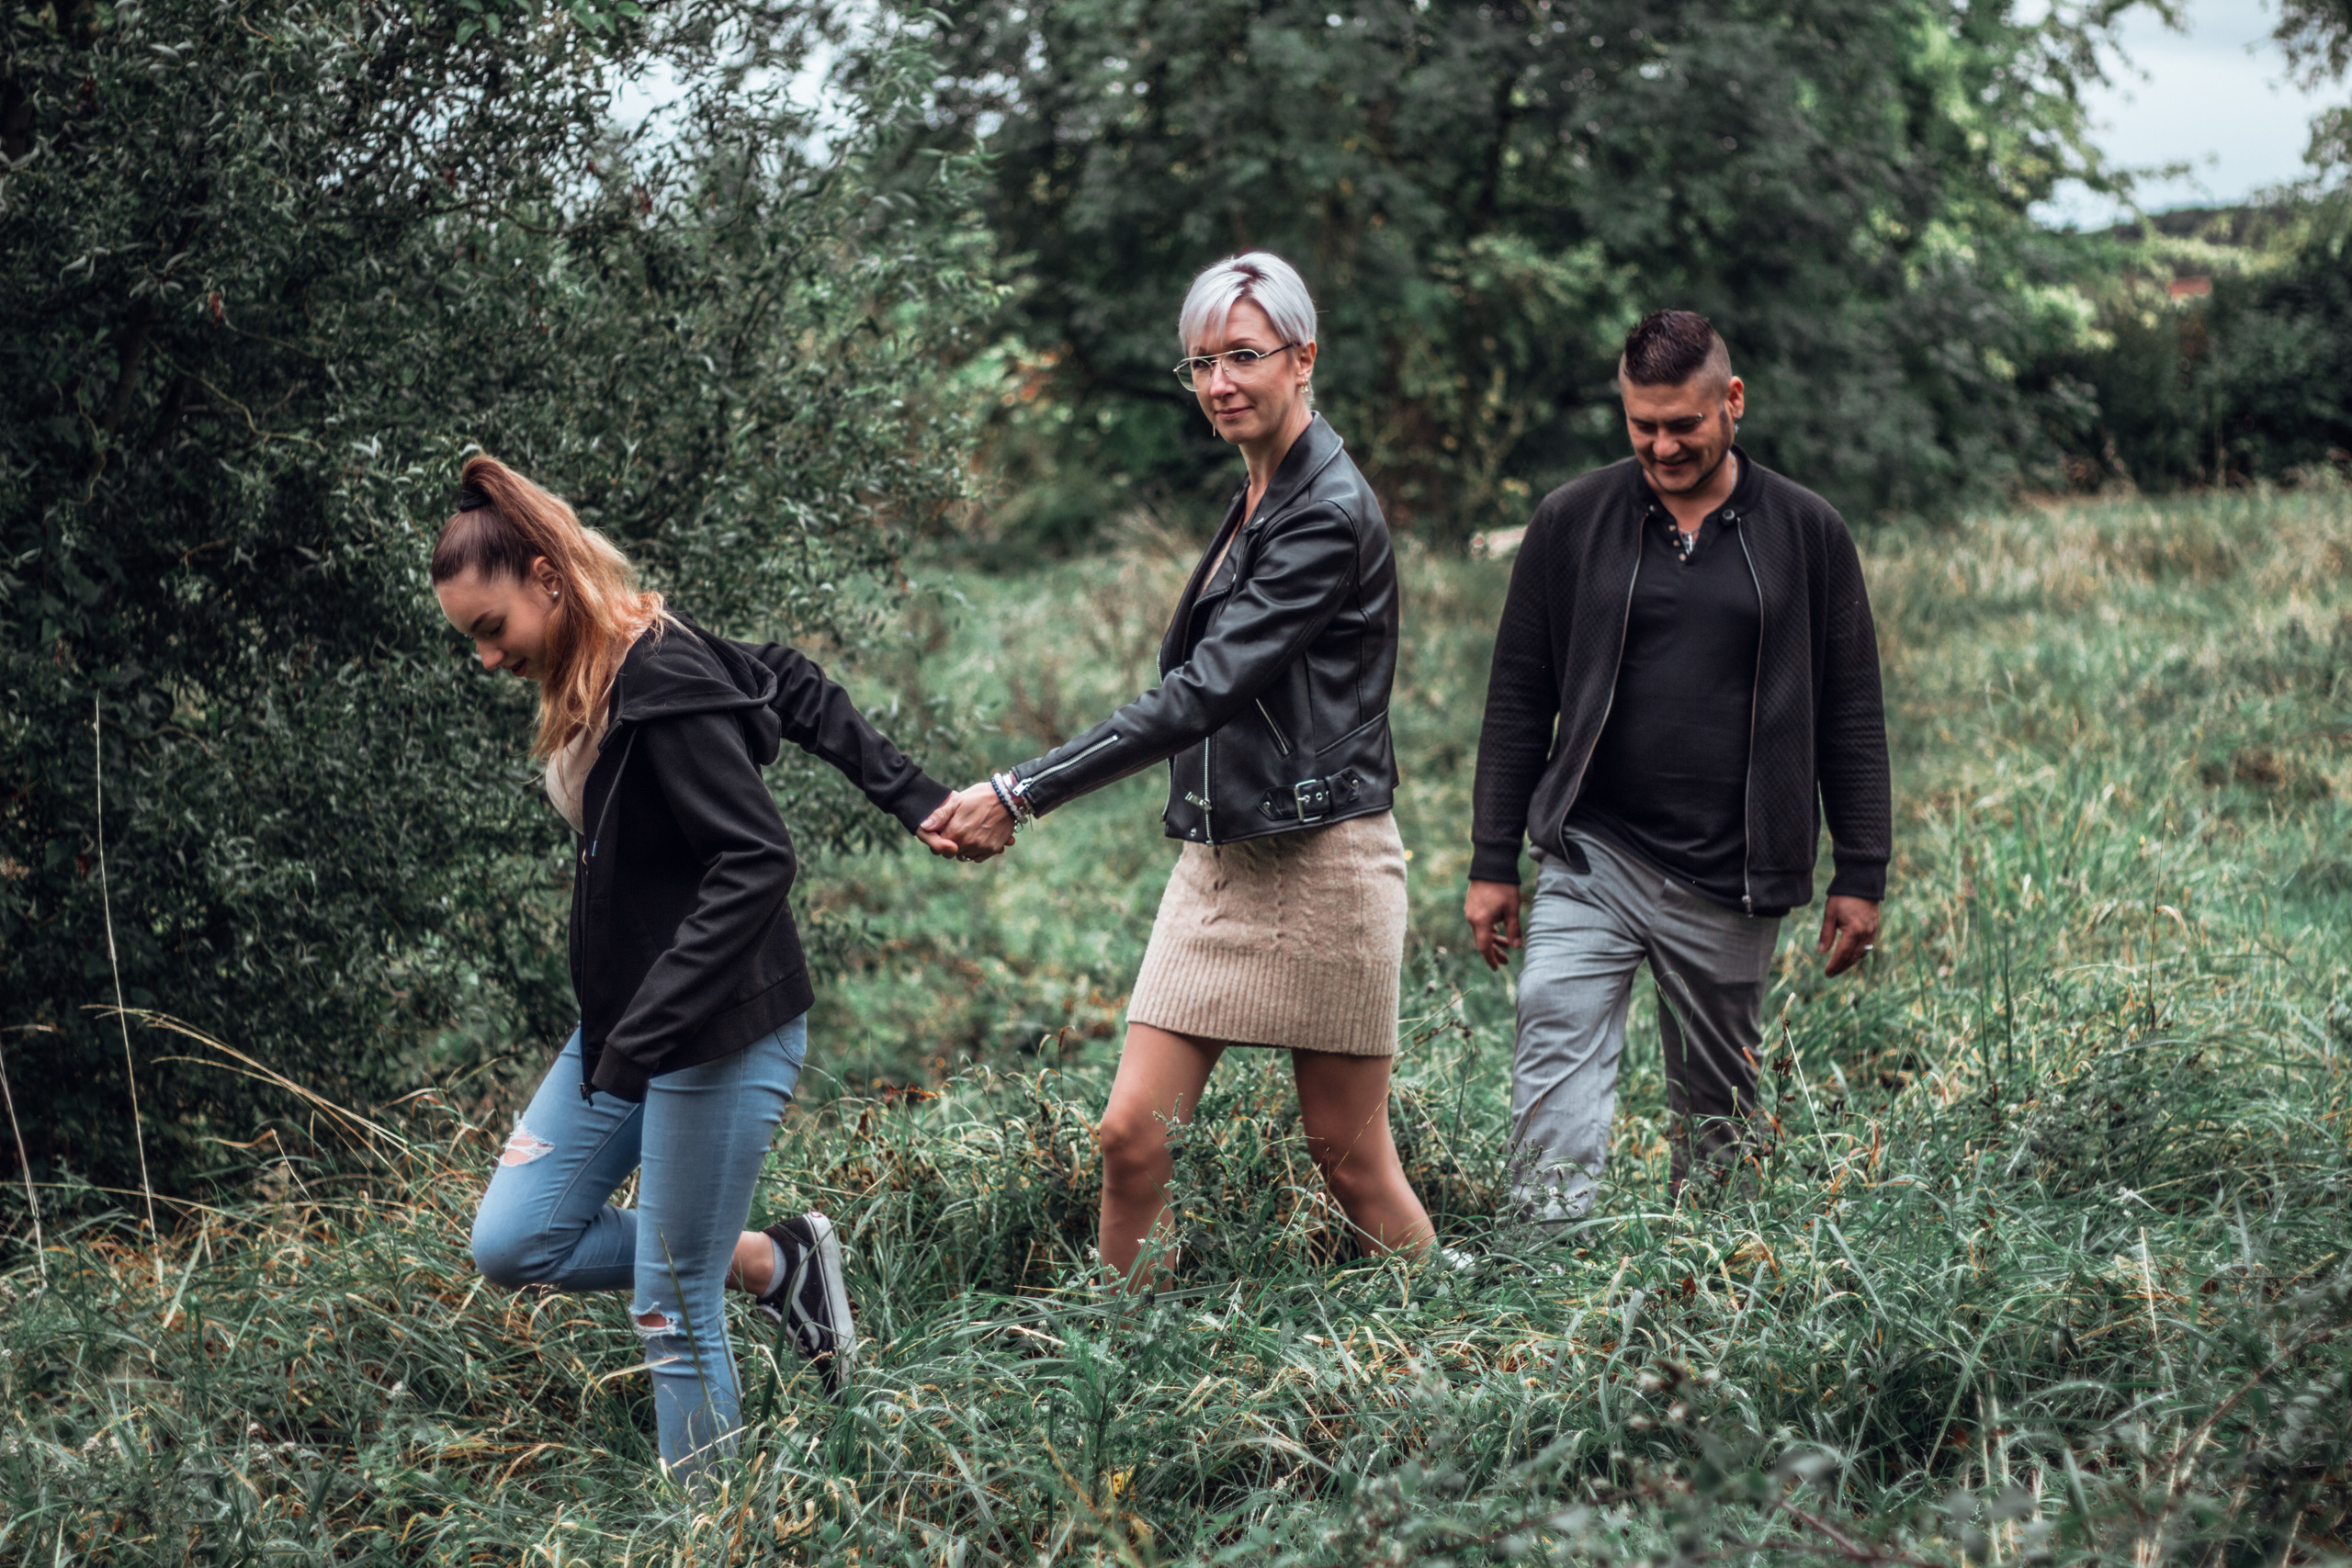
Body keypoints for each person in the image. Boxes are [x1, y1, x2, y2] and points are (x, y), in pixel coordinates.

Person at [431, 456, 956, 1483]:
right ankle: (771, 1260)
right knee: (514, 1241)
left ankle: (711, 1535)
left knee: (671, 1307)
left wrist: (914, 797)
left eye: (492, 629)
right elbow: (787, 681)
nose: (486, 659)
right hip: (633, 1023)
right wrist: (915, 796)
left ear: (545, 578)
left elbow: (757, 858)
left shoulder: (655, 676)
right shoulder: (618, 660)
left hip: (715, 1026)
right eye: (470, 640)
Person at [923, 253, 1438, 1283]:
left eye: (1242, 356)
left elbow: (1204, 691)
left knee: (1347, 1159)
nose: (1219, 384)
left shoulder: (1326, 511)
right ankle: (1118, 1364)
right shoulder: (1261, 491)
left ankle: (1465, 1353)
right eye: (1200, 364)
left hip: (1326, 860)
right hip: (1220, 861)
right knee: (1130, 1137)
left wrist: (1021, 791)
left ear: (1303, 358)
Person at [1464, 310, 1891, 1224]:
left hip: (1733, 873)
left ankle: (1709, 1279)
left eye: (1682, 424)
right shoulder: (1571, 522)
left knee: (1716, 1111)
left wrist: (1862, 871)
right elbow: (1515, 698)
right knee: (1552, 1027)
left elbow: (1850, 709)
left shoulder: (1808, 533)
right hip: (1594, 851)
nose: (1660, 445)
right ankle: (1547, 1274)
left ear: (1731, 402)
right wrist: (1491, 858)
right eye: (1640, 424)